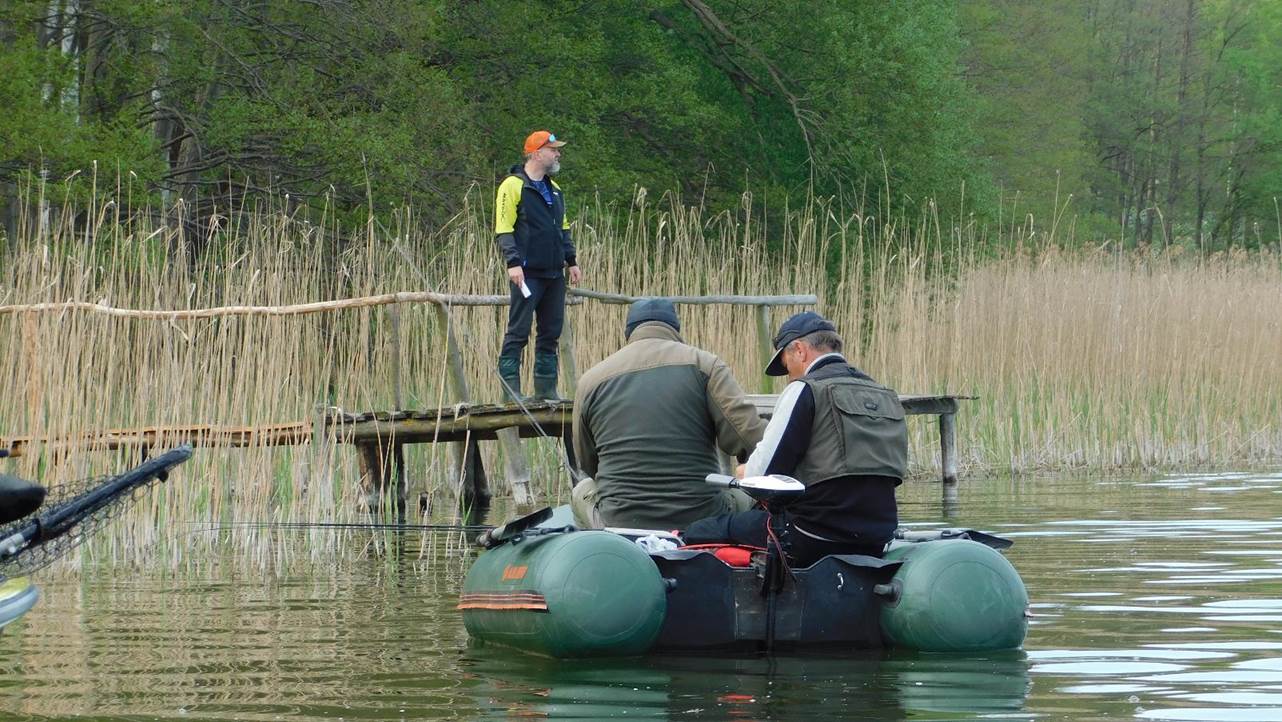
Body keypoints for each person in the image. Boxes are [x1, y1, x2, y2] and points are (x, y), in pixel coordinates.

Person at [683, 311, 908, 566]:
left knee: (700, 530)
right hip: (878, 536)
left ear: (799, 350)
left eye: (787, 365)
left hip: (812, 534)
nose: (789, 375)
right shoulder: (885, 395)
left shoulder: (804, 389)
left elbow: (764, 474)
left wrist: (746, 472)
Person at [571, 299, 766, 530]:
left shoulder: (591, 381)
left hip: (619, 521)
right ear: (675, 328)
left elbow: (587, 461)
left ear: (629, 332)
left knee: (581, 490)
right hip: (702, 519)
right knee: (747, 491)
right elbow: (750, 439)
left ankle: (602, 555)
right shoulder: (705, 365)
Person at [495, 130, 583, 402]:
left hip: (554, 273)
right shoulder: (512, 185)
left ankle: (546, 391)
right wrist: (513, 263)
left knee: (550, 332)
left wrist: (572, 260)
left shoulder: (555, 190)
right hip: (527, 272)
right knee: (518, 330)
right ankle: (511, 393)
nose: (558, 154)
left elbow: (563, 227)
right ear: (536, 153)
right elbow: (503, 228)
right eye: (553, 149)